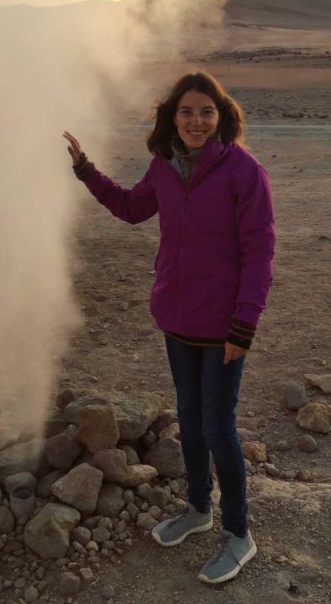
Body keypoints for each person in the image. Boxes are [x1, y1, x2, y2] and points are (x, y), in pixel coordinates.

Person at [63, 70, 274, 585]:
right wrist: (87, 171)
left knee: (219, 427)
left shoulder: (244, 172)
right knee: (189, 418)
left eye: (206, 111)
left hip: (223, 326)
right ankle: (199, 509)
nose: (196, 121)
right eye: (186, 112)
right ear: (172, 118)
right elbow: (133, 209)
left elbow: (259, 251)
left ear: (221, 116)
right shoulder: (165, 167)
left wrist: (243, 325)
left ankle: (238, 534)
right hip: (177, 319)